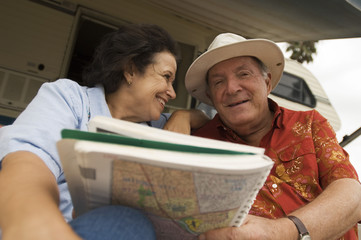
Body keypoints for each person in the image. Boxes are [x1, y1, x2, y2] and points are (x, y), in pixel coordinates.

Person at [0, 24, 209, 240]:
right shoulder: (71, 100)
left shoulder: (159, 127)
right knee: (124, 219)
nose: (173, 93)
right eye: (166, 77)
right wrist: (36, 228)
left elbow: (207, 118)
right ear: (131, 70)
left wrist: (182, 116)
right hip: (53, 228)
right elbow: (27, 164)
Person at [185, 33, 361, 240]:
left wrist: (283, 232)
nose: (232, 88)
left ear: (267, 82)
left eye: (243, 74)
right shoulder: (200, 145)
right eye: (218, 82)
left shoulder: (309, 123)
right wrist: (182, 117)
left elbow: (352, 194)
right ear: (210, 98)